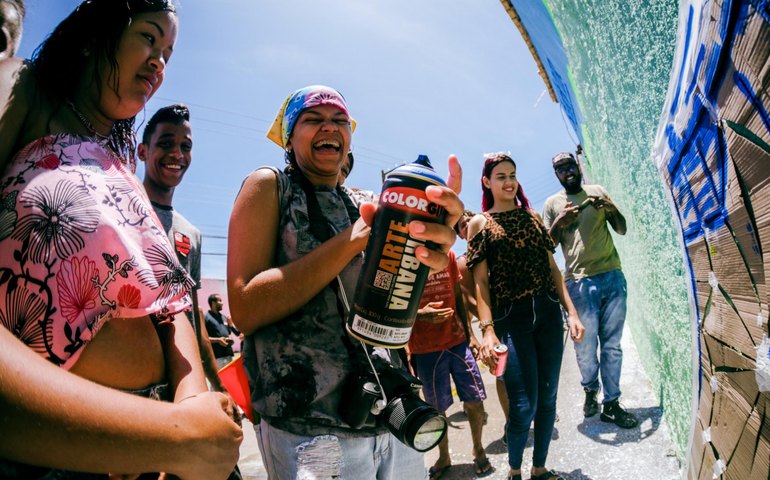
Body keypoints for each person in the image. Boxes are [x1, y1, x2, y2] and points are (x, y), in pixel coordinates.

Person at [0, 1, 241, 476]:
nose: (160, 63)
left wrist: (188, 407)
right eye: (149, 38)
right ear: (96, 35)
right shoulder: (23, 87)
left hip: (148, 450)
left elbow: (170, 308)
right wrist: (163, 435)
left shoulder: (119, 161)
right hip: (52, 452)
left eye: (169, 53)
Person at [227, 84, 463, 479]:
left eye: (340, 121)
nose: (330, 127)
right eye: (313, 120)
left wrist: (433, 239)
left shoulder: (364, 200)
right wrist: (349, 241)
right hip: (310, 428)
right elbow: (245, 309)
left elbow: (376, 301)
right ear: (289, 136)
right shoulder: (269, 186)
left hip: (389, 413)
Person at [467, 152, 584, 480]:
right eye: (501, 176)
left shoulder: (532, 217)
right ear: (487, 182)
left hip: (547, 313)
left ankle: (540, 469)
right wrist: (487, 331)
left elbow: (553, 270)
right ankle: (515, 470)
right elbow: (479, 284)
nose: (508, 181)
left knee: (547, 400)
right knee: (522, 406)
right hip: (511, 321)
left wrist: (571, 313)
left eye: (512, 175)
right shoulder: (480, 223)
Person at [0, 327, 242, 479]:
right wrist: (178, 437)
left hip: (169, 429)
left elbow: (171, 305)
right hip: (60, 444)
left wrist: (191, 403)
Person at [139, 103, 233, 395]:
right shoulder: (121, 210)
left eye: (185, 146)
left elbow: (194, 320)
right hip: (127, 386)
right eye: (166, 143)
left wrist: (218, 387)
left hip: (179, 390)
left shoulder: (191, 234)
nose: (177, 154)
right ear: (143, 151)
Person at [542, 150, 638, 428]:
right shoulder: (552, 204)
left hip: (612, 278)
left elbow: (621, 228)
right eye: (561, 169)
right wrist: (559, 222)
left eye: (570, 165)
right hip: (579, 284)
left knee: (612, 346)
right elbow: (547, 248)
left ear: (578, 165)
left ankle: (611, 404)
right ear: (557, 175)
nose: (568, 171)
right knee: (584, 348)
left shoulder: (597, 192)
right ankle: (590, 391)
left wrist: (608, 207)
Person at [409, 249, 491, 479]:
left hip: (457, 342)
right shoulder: (406, 259)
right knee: (437, 409)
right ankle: (444, 456)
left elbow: (459, 295)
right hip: (425, 348)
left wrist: (470, 335)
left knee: (475, 400)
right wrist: (420, 313)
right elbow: (397, 302)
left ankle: (478, 448)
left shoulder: (449, 256)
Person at [205, 292, 240, 368]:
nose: (222, 303)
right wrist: (218, 340)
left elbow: (230, 333)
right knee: (221, 379)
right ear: (213, 303)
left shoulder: (224, 317)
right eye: (220, 300)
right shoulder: (206, 318)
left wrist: (230, 339)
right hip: (217, 356)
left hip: (228, 354)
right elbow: (204, 339)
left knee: (230, 378)